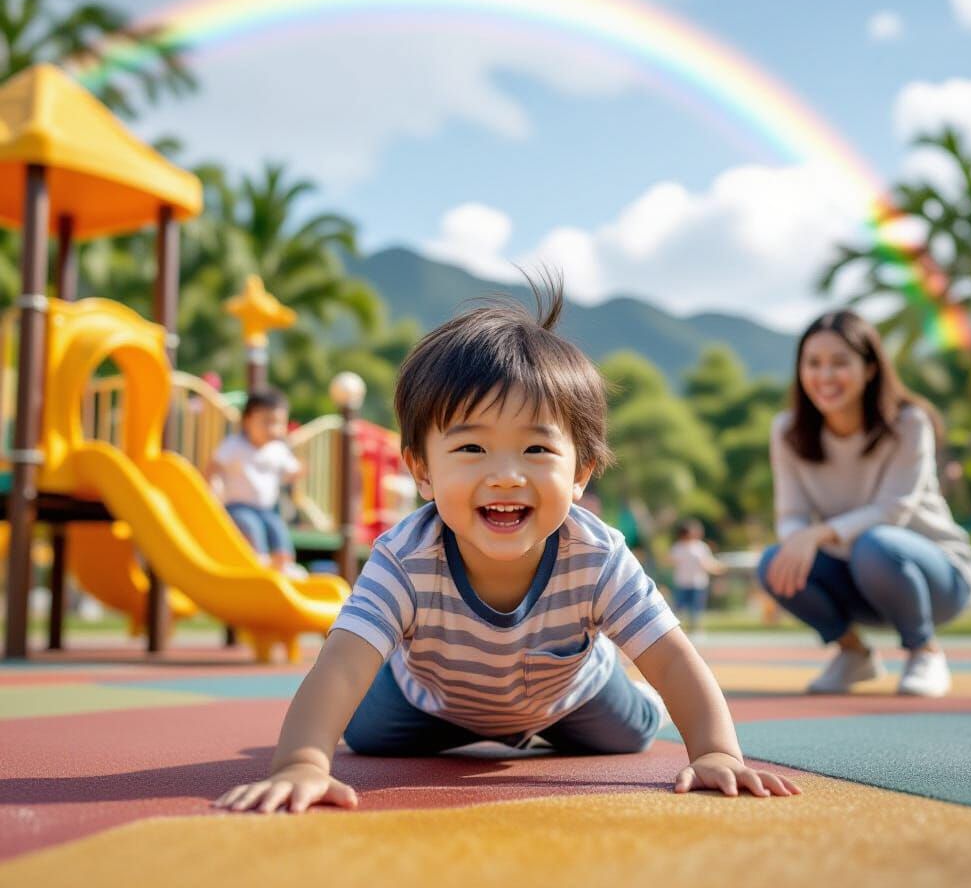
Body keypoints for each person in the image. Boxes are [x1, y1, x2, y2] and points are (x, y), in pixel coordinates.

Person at [215, 279, 798, 814]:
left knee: (632, 732)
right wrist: (301, 763)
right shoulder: (404, 557)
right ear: (421, 470)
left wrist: (716, 752)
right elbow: (341, 664)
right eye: (471, 449)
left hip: (573, 698)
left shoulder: (596, 555)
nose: (505, 476)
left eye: (537, 451)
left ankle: (626, 693)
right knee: (362, 735)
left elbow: (672, 657)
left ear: (582, 472)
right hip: (429, 702)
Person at [757, 310, 971, 698]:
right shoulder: (787, 431)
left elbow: (893, 510)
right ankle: (853, 653)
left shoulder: (909, 423)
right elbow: (791, 515)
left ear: (870, 369)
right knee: (773, 562)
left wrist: (816, 535)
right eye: (813, 363)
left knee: (876, 543)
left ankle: (924, 652)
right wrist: (797, 539)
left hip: (936, 577)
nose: (825, 376)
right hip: (860, 575)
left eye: (840, 363)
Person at [207, 387, 305, 573]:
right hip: (237, 506)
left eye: (278, 423)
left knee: (277, 527)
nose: (273, 429)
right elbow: (214, 465)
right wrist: (212, 487)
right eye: (267, 422)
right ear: (247, 421)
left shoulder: (277, 449)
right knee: (250, 524)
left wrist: (299, 471)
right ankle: (258, 561)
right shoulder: (235, 445)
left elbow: (292, 469)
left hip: (265, 509)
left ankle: (283, 563)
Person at [669, 520, 726, 635]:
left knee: (696, 609)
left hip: (697, 583)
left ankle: (696, 629)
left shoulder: (700, 547)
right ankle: (676, 630)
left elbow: (708, 562)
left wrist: (718, 568)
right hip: (683, 582)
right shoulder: (678, 547)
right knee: (680, 608)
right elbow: (670, 561)